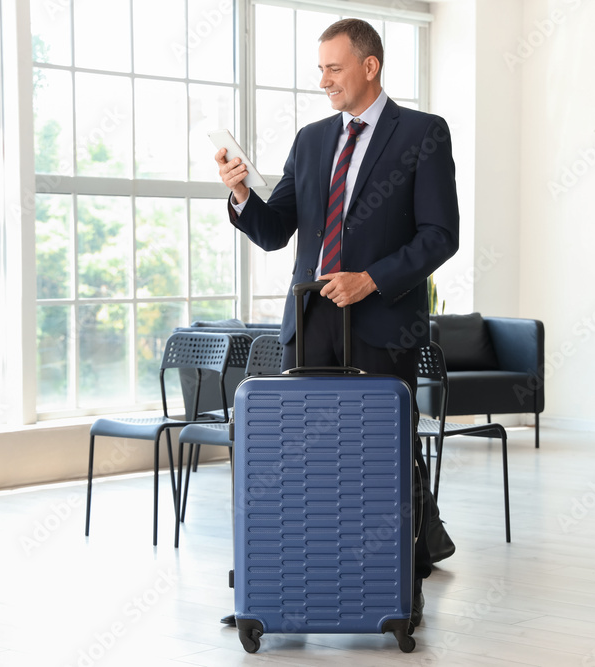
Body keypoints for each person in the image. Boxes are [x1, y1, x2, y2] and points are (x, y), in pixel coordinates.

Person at [215, 17, 459, 630]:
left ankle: (394, 590)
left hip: (381, 325)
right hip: (310, 322)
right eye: (320, 68)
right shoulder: (312, 138)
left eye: (333, 67)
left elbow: (440, 234)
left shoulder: (423, 134)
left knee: (378, 464)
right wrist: (242, 194)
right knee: (304, 466)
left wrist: (371, 278)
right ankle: (295, 583)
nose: (322, 79)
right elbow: (275, 234)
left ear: (369, 66)